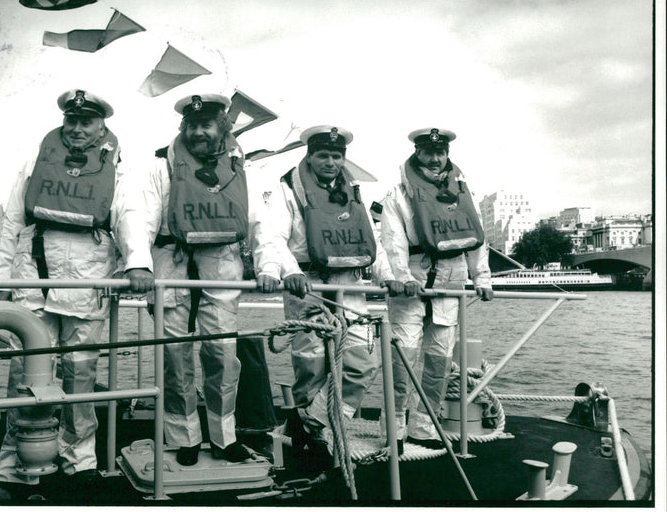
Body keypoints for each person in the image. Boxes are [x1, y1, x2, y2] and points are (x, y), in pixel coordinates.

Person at [0, 89, 138, 491]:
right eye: (71, 120)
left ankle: (80, 459)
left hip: (87, 277)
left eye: (85, 122)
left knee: (81, 372)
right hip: (32, 274)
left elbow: (129, 216)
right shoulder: (34, 164)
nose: (76, 129)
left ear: (101, 126)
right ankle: (16, 463)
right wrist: (0, 282)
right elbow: (9, 222)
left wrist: (137, 262)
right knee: (25, 371)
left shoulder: (119, 171)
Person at [252, 125, 403, 452]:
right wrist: (288, 271)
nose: (331, 162)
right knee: (313, 368)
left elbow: (371, 242)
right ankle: (317, 440)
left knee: (363, 363)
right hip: (309, 286)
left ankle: (309, 422)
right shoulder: (287, 191)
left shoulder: (353, 192)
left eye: (337, 156)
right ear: (310, 155)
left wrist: (388, 277)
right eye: (324, 155)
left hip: (350, 287)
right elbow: (273, 237)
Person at [124, 93, 252, 466]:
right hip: (170, 264)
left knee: (223, 356)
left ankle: (224, 438)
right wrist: (137, 262)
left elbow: (259, 219)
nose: (198, 132)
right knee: (174, 358)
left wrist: (278, 267)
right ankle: (184, 437)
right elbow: (139, 212)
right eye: (192, 126)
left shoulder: (241, 167)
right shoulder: (160, 165)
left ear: (222, 128)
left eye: (206, 125)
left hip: (222, 265)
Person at [380, 127, 493, 452]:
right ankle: (395, 428)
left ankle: (424, 426)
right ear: (417, 153)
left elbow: (476, 241)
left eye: (440, 152)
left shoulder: (461, 194)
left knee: (439, 364)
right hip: (410, 288)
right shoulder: (397, 195)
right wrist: (401, 277)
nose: (434, 159)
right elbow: (393, 242)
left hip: (449, 286)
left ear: (447, 155)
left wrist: (481, 279)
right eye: (428, 152)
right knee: (403, 360)